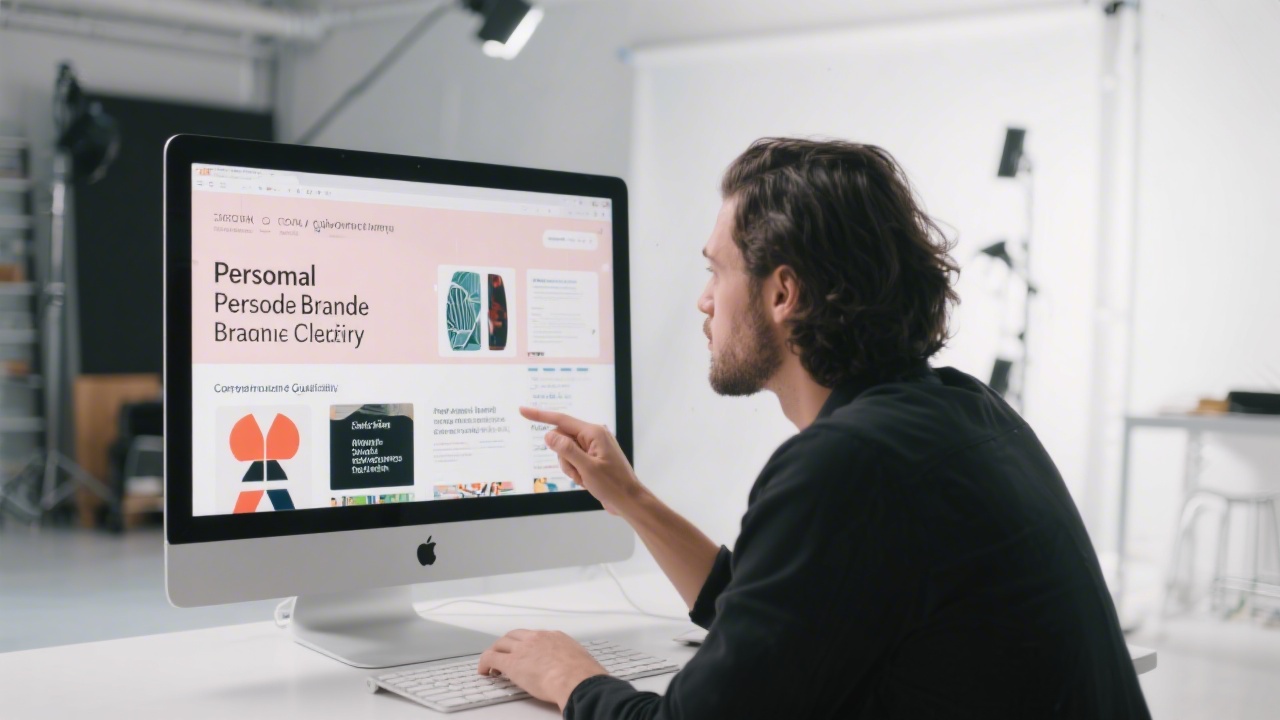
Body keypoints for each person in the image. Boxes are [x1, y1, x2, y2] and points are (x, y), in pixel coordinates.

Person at [476, 138, 1151, 719]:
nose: (703, 299)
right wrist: (626, 495)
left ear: (781, 293)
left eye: (717, 271)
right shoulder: (963, 410)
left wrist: (573, 678)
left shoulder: (847, 463)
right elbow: (783, 616)